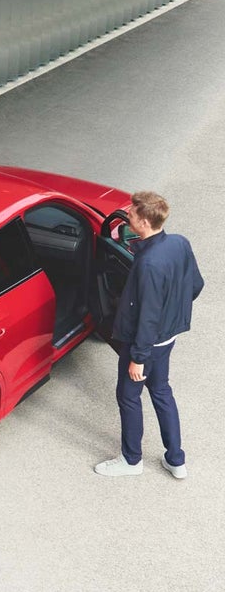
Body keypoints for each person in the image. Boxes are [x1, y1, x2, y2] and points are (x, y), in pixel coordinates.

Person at [94, 191, 204, 479]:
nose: (127, 215)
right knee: (161, 391)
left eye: (130, 213)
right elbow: (195, 285)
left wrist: (138, 358)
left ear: (143, 222)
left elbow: (148, 316)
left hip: (145, 344)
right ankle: (176, 460)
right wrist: (172, 314)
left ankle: (131, 460)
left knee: (129, 397)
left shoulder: (148, 264)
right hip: (167, 338)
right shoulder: (179, 243)